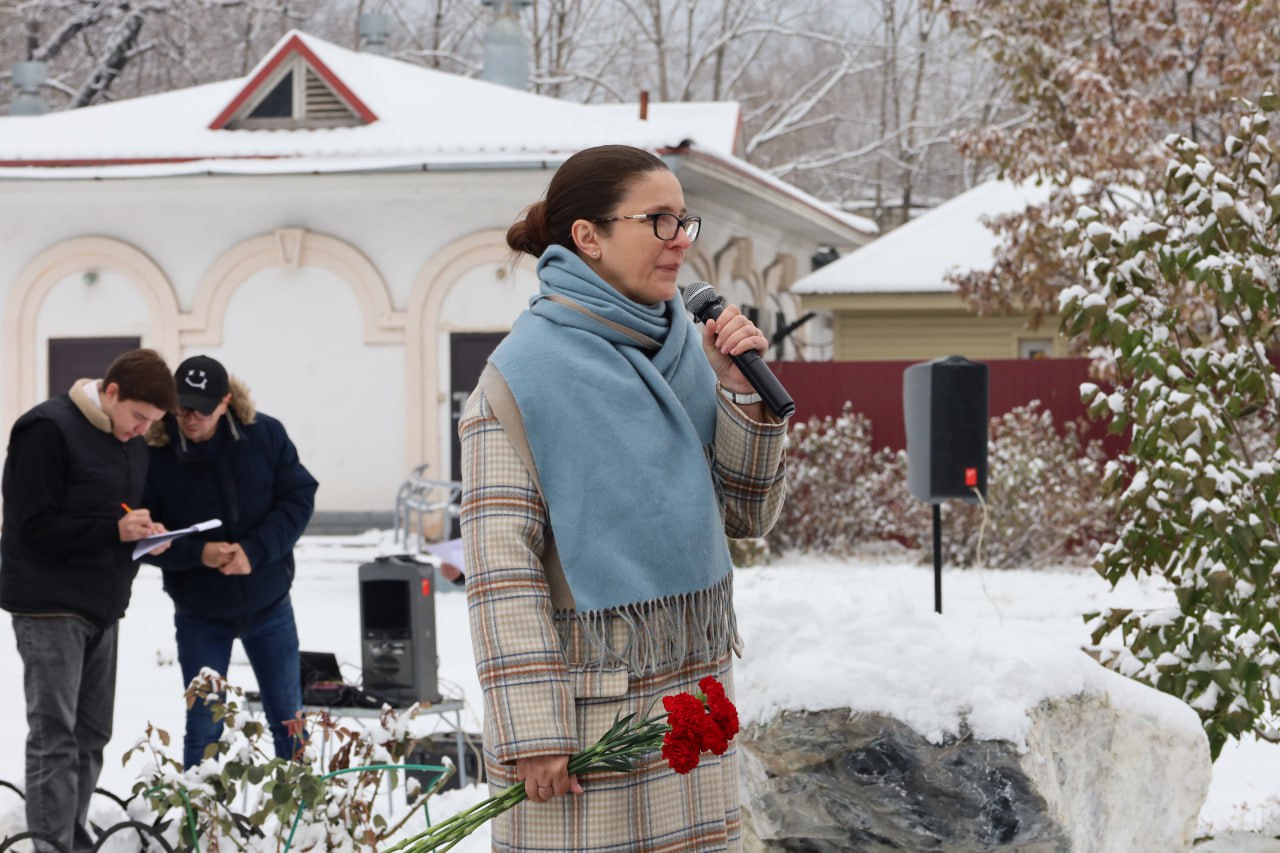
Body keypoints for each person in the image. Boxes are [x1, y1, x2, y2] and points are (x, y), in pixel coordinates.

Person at [458, 144, 789, 851]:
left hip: (691, 705)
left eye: (684, 221)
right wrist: (533, 733)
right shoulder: (519, 379)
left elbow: (747, 515)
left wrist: (737, 390)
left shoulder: (684, 352)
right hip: (584, 730)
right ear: (589, 236)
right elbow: (501, 574)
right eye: (659, 220)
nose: (680, 241)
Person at [1, 348, 177, 853]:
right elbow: (29, 528)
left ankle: (71, 837)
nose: (142, 431)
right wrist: (114, 531)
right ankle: (51, 846)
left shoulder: (129, 440)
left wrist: (145, 535)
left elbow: (114, 517)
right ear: (112, 391)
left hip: (103, 605)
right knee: (55, 735)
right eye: (139, 418)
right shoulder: (46, 429)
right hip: (48, 605)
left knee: (92, 734)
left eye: (152, 424)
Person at [142, 355, 318, 768]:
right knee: (203, 723)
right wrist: (196, 554)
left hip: (269, 603)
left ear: (225, 402)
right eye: (182, 407)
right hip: (199, 612)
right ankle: (201, 823)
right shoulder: (154, 450)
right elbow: (144, 534)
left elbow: (298, 497)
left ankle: (305, 822)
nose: (190, 418)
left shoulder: (265, 435)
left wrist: (255, 552)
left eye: (202, 409)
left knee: (288, 718)